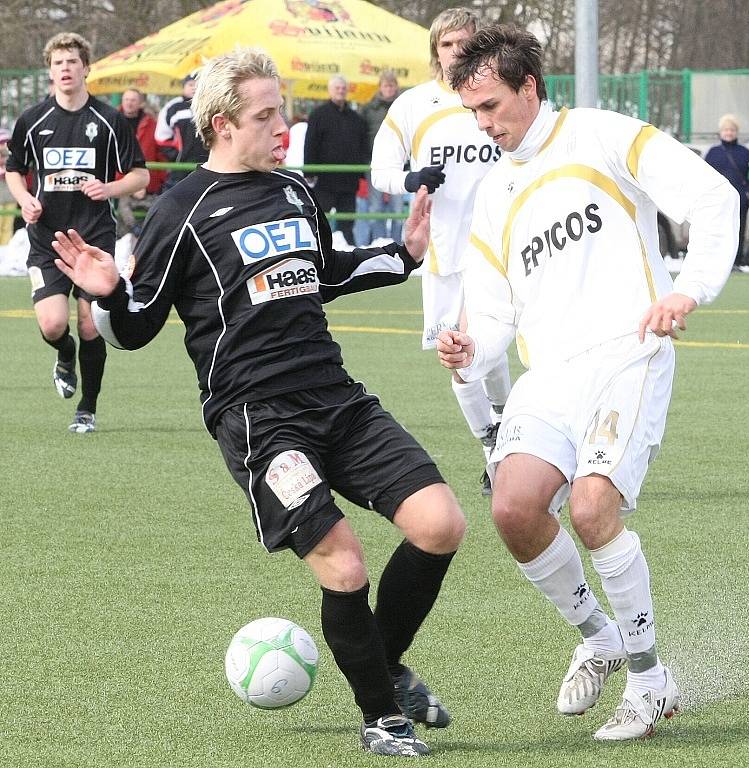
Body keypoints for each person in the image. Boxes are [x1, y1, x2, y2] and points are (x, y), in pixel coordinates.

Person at [51, 48, 465, 758]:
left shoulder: (296, 190)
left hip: (336, 398)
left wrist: (403, 253)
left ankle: (382, 668)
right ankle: (380, 717)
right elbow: (138, 327)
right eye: (266, 114)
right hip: (258, 420)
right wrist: (110, 293)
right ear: (220, 125)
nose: (283, 126)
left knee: (441, 524)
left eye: (283, 111)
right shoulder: (182, 209)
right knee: (344, 564)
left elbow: (321, 275)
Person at [438, 24, 738, 740]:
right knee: (512, 510)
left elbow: (713, 199)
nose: (483, 125)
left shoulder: (606, 136)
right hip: (552, 376)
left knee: (593, 509)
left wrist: (687, 290)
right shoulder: (492, 194)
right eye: (472, 113)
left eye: (491, 107)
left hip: (627, 354)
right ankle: (601, 637)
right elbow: (492, 309)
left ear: (530, 87)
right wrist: (470, 342)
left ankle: (648, 681)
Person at [370, 7, 510, 496]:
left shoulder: (500, 98)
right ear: (436, 51)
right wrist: (408, 179)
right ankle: (496, 442)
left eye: (464, 43)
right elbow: (379, 171)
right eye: (446, 45)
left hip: (503, 250)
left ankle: (504, 442)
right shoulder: (413, 105)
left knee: (487, 348)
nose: (455, 53)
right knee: (461, 356)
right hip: (445, 255)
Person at [5, 32, 149, 433]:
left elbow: (140, 174)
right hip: (46, 239)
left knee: (90, 324)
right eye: (58, 63)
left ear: (86, 69)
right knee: (53, 326)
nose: (65, 69)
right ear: (50, 71)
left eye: (72, 62)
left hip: (92, 240)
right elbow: (14, 169)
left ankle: (87, 408)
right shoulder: (33, 120)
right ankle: (64, 355)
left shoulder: (109, 120)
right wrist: (24, 199)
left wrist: (109, 188)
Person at [304, 75, 369, 246]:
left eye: (343, 88)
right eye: (337, 88)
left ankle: (348, 251)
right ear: (330, 90)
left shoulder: (357, 119)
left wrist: (361, 174)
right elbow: (310, 143)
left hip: (348, 180)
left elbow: (363, 147)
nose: (340, 91)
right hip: (325, 180)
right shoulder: (318, 115)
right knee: (320, 218)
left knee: (347, 222)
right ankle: (316, 247)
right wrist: (309, 171)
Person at [704, 114, 749, 268]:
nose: (729, 133)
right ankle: (718, 263)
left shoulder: (745, 153)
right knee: (718, 232)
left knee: (738, 232)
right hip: (718, 201)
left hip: (740, 200)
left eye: (732, 130)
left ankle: (736, 261)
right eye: (726, 130)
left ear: (736, 132)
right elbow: (704, 176)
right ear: (721, 132)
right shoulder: (713, 153)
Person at [117, 88, 168, 236]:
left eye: (133, 100)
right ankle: (133, 232)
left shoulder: (151, 123)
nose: (129, 103)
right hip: (121, 179)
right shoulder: (112, 120)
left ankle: (147, 236)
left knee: (155, 210)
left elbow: (159, 150)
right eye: (126, 99)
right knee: (123, 210)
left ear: (140, 103)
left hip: (147, 179)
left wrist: (159, 178)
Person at [360, 70, 404, 244]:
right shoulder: (369, 109)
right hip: (374, 161)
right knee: (375, 206)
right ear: (380, 87)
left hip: (399, 161)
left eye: (392, 85)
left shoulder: (403, 106)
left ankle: (396, 243)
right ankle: (379, 242)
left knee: (398, 207)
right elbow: (362, 135)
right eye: (386, 85)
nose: (389, 89)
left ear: (396, 87)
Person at [154, 73, 209, 190]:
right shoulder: (173, 107)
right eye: (191, 84)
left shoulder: (211, 104)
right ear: (184, 86)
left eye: (198, 84)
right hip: (180, 168)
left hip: (209, 165)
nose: (194, 87)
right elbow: (161, 137)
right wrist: (176, 155)